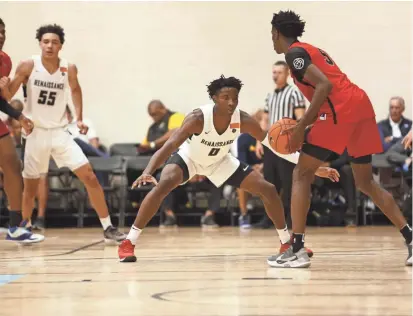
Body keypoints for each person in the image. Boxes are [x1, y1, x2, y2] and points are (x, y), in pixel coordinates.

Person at [118, 75, 339, 262]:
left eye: (235, 98)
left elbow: (274, 146)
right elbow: (169, 145)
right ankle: (129, 242)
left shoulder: (243, 119)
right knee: (163, 185)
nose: (231, 102)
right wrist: (148, 171)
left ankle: (286, 244)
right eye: (225, 97)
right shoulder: (197, 118)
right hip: (190, 158)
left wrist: (315, 167)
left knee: (268, 189)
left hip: (220, 161)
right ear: (214, 98)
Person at [267, 10, 412, 268]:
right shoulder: (311, 50)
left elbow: (324, 87)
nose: (272, 39)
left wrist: (300, 126)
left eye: (272, 34)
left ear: (277, 32)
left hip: (339, 111)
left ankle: (297, 248)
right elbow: (327, 90)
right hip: (360, 105)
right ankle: (410, 238)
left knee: (301, 173)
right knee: (365, 183)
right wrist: (306, 123)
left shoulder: (294, 54)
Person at [1, 23, 125, 243]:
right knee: (30, 187)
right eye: (46, 41)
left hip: (60, 132)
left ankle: (108, 227)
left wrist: (79, 117)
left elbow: (76, 90)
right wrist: (3, 87)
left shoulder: (69, 68)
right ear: (40, 43)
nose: (50, 46)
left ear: (61, 46)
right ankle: (24, 227)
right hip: (35, 132)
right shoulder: (28, 65)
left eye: (54, 42)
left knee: (90, 176)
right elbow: (8, 97)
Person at [0, 18, 43, 243]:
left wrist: (20, 116)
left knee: (13, 165)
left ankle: (15, 226)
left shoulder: (5, 61)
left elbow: (2, 99)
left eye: (3, 31)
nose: (1, 35)